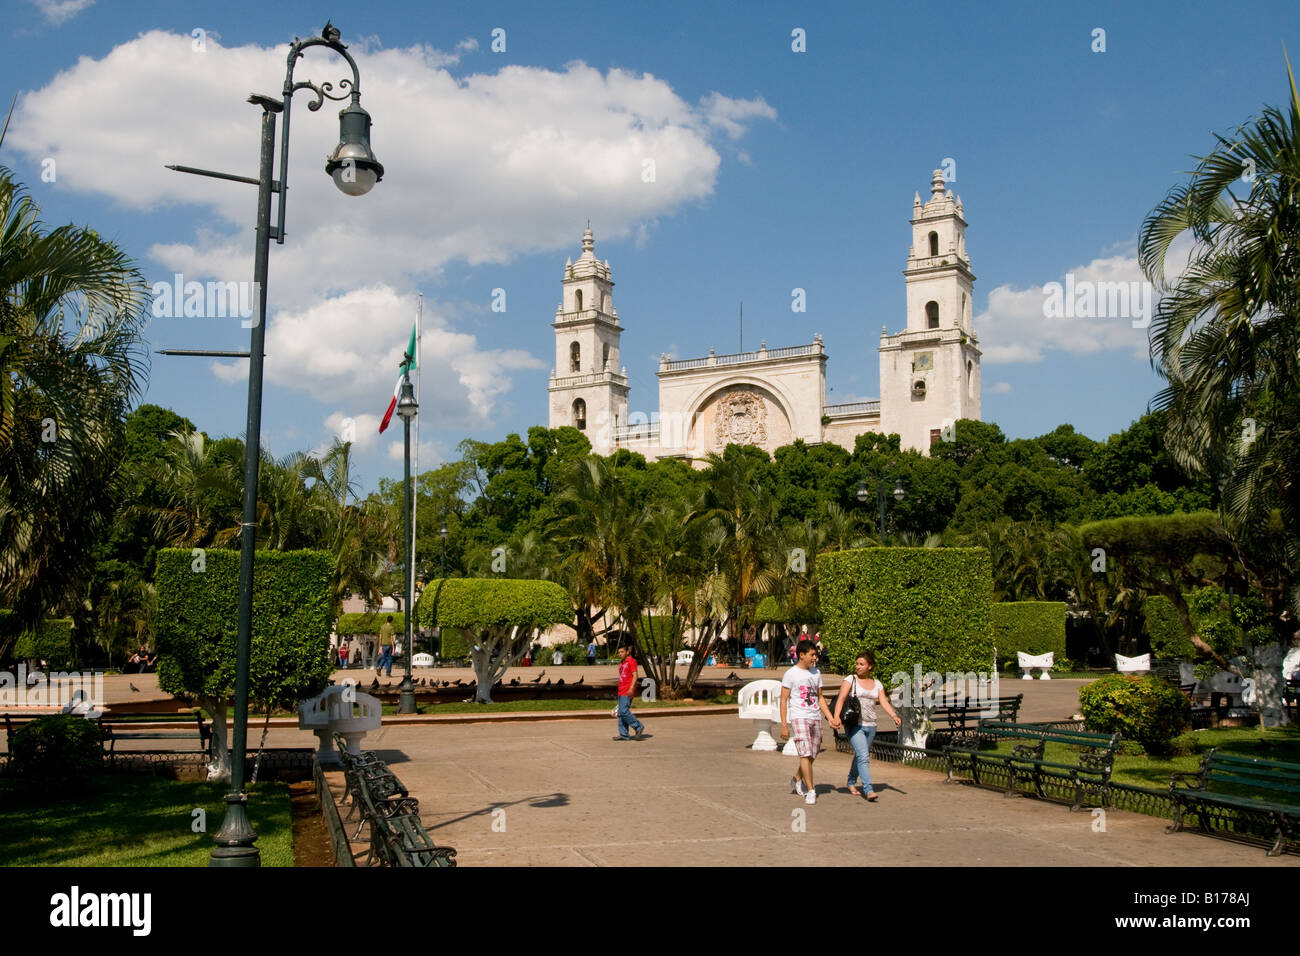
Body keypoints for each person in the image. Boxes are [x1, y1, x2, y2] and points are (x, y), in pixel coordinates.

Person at [832, 650, 901, 801]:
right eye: (857, 664)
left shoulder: (877, 684)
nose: (858, 667)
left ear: (870, 666)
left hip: (871, 725)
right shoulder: (850, 680)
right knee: (864, 756)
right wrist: (836, 717)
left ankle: (851, 781)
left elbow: (883, 701)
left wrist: (894, 715)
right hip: (854, 724)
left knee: (860, 755)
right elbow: (841, 698)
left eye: (862, 664)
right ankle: (868, 790)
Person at [780, 638, 838, 804]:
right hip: (799, 717)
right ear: (802, 655)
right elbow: (783, 700)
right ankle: (811, 790)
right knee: (805, 753)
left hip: (814, 716)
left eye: (816, 655)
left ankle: (797, 778)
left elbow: (819, 697)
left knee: (813, 752)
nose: (815, 658)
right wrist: (784, 725)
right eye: (812, 655)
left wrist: (830, 717)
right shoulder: (791, 674)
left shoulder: (816, 673)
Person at [613, 643, 646, 741]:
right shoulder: (622, 663)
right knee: (621, 712)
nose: (620, 654)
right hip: (621, 690)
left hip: (627, 690)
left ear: (628, 652)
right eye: (619, 652)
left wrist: (631, 688)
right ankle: (624, 734)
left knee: (623, 711)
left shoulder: (631, 661)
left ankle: (638, 726)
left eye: (622, 652)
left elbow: (635, 675)